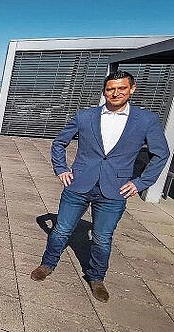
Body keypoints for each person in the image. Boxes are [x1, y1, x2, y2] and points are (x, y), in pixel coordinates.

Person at [30, 71, 169, 303]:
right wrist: (61, 169)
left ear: (131, 89)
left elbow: (161, 154)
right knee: (62, 229)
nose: (115, 93)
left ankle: (96, 278)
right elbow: (59, 143)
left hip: (114, 190)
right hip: (79, 185)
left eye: (121, 88)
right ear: (104, 91)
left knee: (103, 237)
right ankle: (47, 264)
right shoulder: (85, 116)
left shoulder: (146, 120)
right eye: (110, 89)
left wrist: (141, 183)